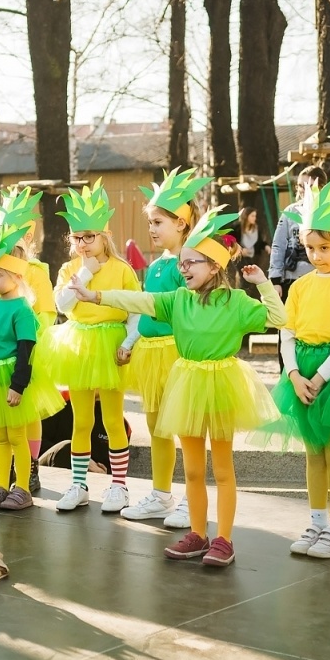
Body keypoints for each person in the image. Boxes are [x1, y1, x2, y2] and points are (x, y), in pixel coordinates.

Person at [75, 207, 285, 567]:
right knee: (190, 470)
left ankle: (224, 539)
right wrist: (95, 296)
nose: (183, 269)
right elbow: (140, 301)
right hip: (187, 384)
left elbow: (279, 319)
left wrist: (263, 283)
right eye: (182, 263)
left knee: (222, 469)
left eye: (192, 263)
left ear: (215, 266)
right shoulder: (179, 300)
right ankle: (199, 534)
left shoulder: (236, 303)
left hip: (220, 385)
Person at [263, 179, 330, 560]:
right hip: (301, 372)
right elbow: (287, 334)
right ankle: (316, 520)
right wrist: (293, 375)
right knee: (312, 453)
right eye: (310, 247)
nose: (316, 255)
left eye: (325, 247)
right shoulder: (300, 287)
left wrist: (320, 377)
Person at [43, 180, 141, 513]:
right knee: (80, 420)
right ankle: (79, 484)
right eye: (77, 237)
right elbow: (63, 305)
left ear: (104, 236)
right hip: (79, 344)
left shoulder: (123, 269)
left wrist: (129, 341)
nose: (83, 243)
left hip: (111, 343)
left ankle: (119, 486)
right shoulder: (71, 268)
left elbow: (135, 310)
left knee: (113, 418)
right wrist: (84, 272)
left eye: (90, 236)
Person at [119, 168, 209, 526]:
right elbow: (145, 308)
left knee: (186, 428)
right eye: (151, 222)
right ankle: (160, 494)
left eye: (159, 221)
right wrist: (130, 340)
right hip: (151, 354)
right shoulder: (156, 267)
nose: (152, 229)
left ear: (182, 223)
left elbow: (193, 311)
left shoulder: (189, 265)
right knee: (156, 427)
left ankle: (191, 498)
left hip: (178, 353)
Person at [0, 219, 65, 511]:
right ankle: (0, 486)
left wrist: (18, 385)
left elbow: (26, 349)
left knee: (18, 435)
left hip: (11, 377)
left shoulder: (21, 310)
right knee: (0, 436)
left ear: (17, 277)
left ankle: (22, 487)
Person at [0, 186, 57, 497]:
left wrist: (29, 336)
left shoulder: (33, 271)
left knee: (28, 413)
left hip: (25, 348)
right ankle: (4, 470)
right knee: (3, 418)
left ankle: (30, 467)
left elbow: (46, 310)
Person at [268, 165, 328, 297]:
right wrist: (275, 280)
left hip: (323, 279)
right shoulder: (290, 212)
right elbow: (278, 246)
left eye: (310, 186)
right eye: (301, 185)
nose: (304, 190)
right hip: (291, 280)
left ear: (322, 187)